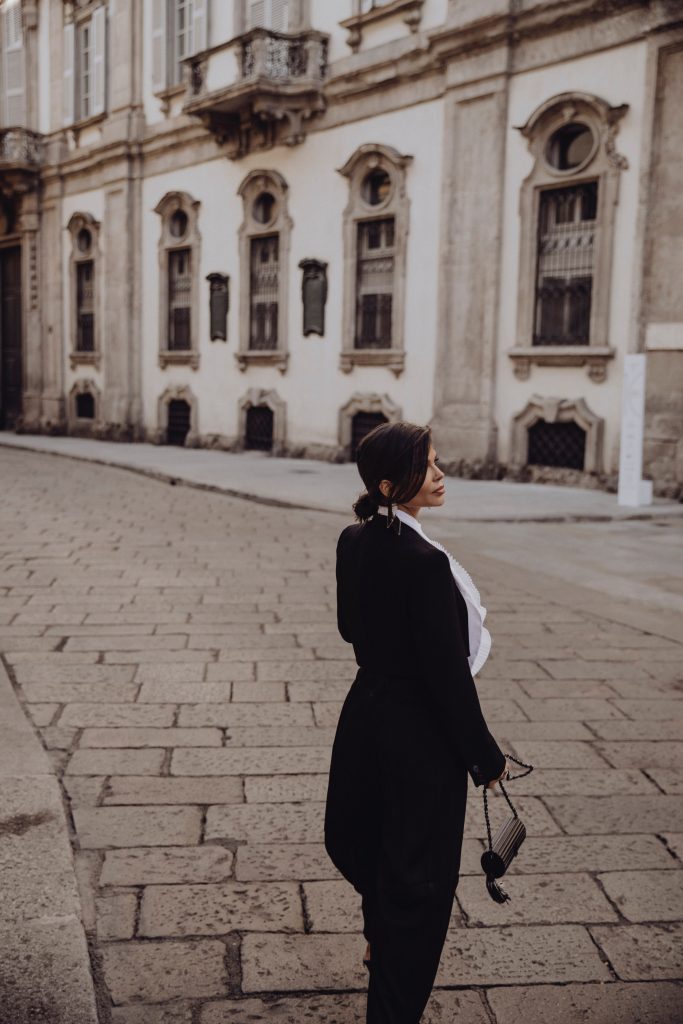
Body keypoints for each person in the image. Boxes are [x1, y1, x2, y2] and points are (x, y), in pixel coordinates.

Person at [324, 421, 509, 1024]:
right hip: (418, 734)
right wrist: (483, 755)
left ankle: (379, 937)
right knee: (421, 879)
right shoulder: (426, 563)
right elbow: (447, 675)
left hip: (365, 714)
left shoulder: (352, 540)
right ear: (388, 483)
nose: (439, 474)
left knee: (371, 842)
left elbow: (351, 628)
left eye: (436, 461)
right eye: (426, 466)